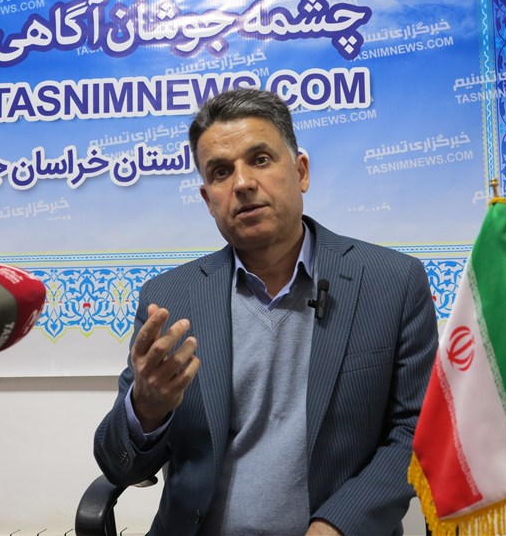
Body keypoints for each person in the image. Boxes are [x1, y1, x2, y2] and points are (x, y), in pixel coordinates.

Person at [93, 88, 438, 536]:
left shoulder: (392, 282)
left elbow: (416, 432)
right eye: (221, 172)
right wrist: (146, 409)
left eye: (260, 159)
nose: (242, 183)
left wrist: (337, 525)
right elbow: (119, 465)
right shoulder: (170, 300)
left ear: (301, 171)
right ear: (208, 199)